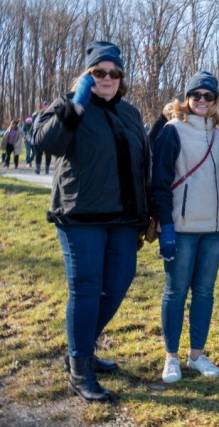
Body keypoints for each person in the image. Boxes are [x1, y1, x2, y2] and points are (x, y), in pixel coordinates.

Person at [33, 41, 150, 402]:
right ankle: (79, 367)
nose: (108, 78)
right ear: (87, 74)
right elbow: (45, 142)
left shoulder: (130, 113)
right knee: (85, 289)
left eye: (114, 73)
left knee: (117, 284)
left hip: (124, 220)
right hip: (80, 216)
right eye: (99, 72)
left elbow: (140, 164)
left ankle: (81, 347)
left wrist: (146, 217)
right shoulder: (70, 104)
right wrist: (74, 105)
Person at [152, 71, 219, 384]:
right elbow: (159, 181)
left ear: (215, 102)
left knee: (205, 292)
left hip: (216, 228)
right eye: (195, 95)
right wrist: (166, 225)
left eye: (208, 96)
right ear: (187, 99)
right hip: (181, 227)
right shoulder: (173, 131)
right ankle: (171, 356)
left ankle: (197, 353)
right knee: (175, 291)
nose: (201, 100)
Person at [32, 101, 52, 174]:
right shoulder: (36, 115)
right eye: (44, 106)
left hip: (48, 137)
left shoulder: (51, 115)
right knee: (38, 154)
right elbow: (34, 127)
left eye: (47, 105)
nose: (45, 107)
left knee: (48, 154)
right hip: (39, 136)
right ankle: (37, 169)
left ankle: (47, 169)